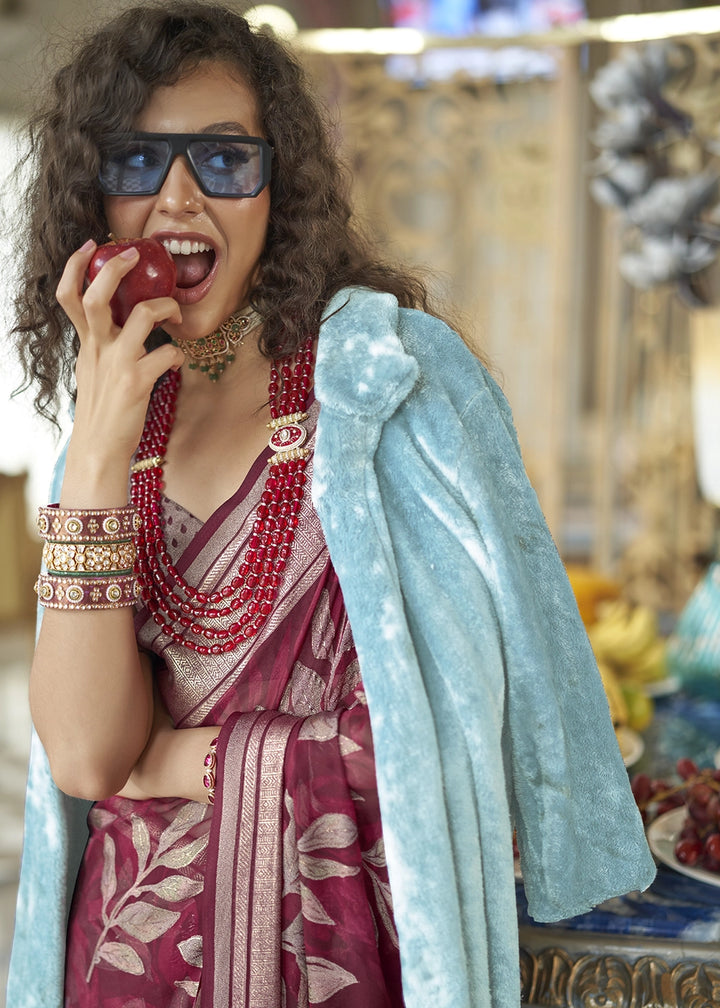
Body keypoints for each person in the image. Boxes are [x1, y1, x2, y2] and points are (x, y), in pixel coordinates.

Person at [7, 4, 656, 1007]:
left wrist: (169, 760)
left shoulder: (388, 384)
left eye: (223, 163)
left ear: (280, 188)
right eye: (138, 163)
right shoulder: (107, 431)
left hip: (355, 955)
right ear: (94, 197)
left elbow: (435, 731)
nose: (179, 197)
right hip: (131, 966)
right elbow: (91, 757)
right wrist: (94, 446)